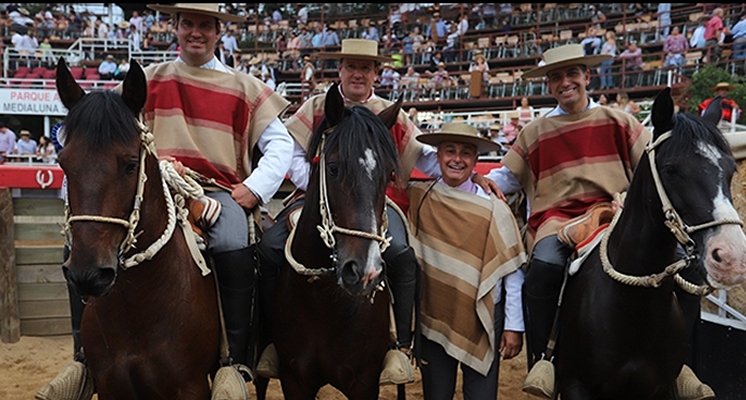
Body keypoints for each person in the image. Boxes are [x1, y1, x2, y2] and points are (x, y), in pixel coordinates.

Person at [37, 4, 294, 400]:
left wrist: (254, 189)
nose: (196, 32)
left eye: (204, 25)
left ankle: (233, 362)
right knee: (80, 243)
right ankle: (84, 360)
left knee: (231, 241)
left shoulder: (246, 87)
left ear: (218, 31)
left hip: (218, 190)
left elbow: (280, 145)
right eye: (187, 23)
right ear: (175, 28)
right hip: (153, 187)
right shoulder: (147, 80)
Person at [485, 44, 712, 400]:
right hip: (558, 219)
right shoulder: (535, 131)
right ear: (549, 85)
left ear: (587, 76)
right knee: (544, 266)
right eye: (556, 77)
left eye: (572, 73)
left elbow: (654, 164)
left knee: (686, 271)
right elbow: (507, 177)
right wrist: (474, 183)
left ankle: (681, 365)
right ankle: (545, 360)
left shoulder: (618, 120)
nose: (565, 82)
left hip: (617, 213)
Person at [256, 38, 451, 385]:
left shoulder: (391, 113)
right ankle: (271, 340)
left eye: (365, 67)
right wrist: (319, 187)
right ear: (341, 70)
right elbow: (292, 154)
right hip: (315, 200)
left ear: (376, 73)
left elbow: (423, 157)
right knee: (270, 247)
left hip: (378, 203)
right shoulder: (317, 106)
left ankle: (399, 346)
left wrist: (467, 175)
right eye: (351, 66)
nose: (357, 74)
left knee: (404, 254)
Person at [409, 122, 527, 400]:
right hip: (434, 316)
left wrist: (513, 325)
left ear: (475, 160)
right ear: (437, 157)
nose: (457, 159)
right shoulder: (419, 198)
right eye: (449, 151)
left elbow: (511, 272)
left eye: (465, 153)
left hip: (485, 319)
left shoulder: (495, 208)